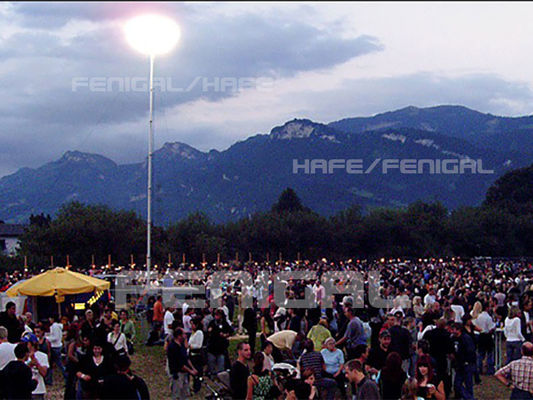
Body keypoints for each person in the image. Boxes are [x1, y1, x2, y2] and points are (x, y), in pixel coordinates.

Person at [167, 327, 198, 400]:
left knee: (185, 393)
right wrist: (190, 371)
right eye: (183, 334)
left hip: (184, 373)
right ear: (179, 336)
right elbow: (179, 364)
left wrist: (193, 368)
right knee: (177, 393)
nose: (185, 336)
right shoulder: (173, 347)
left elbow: (186, 359)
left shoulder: (182, 346)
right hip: (177, 374)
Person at [451, 322, 476, 400]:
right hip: (459, 364)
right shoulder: (453, 338)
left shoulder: (466, 338)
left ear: (459, 330)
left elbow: (471, 351)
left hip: (467, 364)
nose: (452, 331)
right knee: (457, 384)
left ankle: (469, 398)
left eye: (454, 329)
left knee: (468, 384)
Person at [22, 333, 49, 400]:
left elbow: (44, 373)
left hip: (38, 390)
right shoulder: (21, 355)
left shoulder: (42, 356)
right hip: (24, 390)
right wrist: (29, 364)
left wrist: (36, 363)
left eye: (26, 343)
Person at [207, 309, 233, 375]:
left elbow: (231, 331)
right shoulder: (212, 323)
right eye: (215, 315)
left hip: (221, 347)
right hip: (212, 347)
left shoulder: (224, 323)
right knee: (211, 363)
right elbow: (208, 331)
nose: (216, 317)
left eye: (218, 315)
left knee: (221, 364)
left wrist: (225, 335)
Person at [46, 314, 67, 384]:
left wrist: (47, 338)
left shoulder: (54, 326)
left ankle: (66, 376)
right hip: (57, 346)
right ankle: (49, 379)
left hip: (55, 346)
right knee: (54, 364)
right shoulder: (58, 326)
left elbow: (55, 337)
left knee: (58, 364)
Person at [189, 318, 205, 393]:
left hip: (197, 355)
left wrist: (190, 346)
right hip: (191, 354)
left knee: (197, 371)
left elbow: (198, 345)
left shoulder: (199, 333)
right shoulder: (193, 333)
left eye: (193, 324)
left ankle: (197, 386)